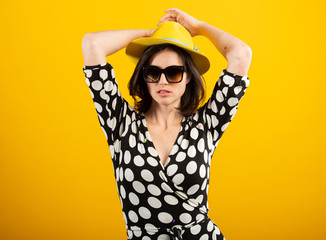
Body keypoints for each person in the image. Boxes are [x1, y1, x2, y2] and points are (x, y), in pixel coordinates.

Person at [81, 8, 251, 240]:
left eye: (173, 72)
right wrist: (151, 34)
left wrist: (198, 27)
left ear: (189, 75)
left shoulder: (206, 124)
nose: (163, 81)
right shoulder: (120, 122)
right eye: (153, 72)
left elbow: (240, 53)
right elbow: (92, 44)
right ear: (144, 76)